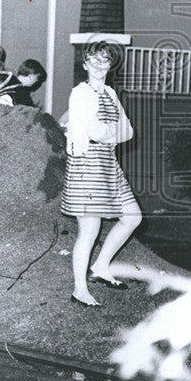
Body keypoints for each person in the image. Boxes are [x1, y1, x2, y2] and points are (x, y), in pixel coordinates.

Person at [61, 42, 141, 307]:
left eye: (104, 61)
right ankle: (79, 289)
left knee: (132, 217)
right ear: (85, 65)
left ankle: (101, 267)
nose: (99, 66)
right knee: (90, 228)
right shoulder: (80, 93)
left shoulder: (109, 92)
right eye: (93, 61)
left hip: (108, 161)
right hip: (87, 162)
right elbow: (94, 132)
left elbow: (129, 132)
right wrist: (113, 131)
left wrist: (111, 131)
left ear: (109, 65)